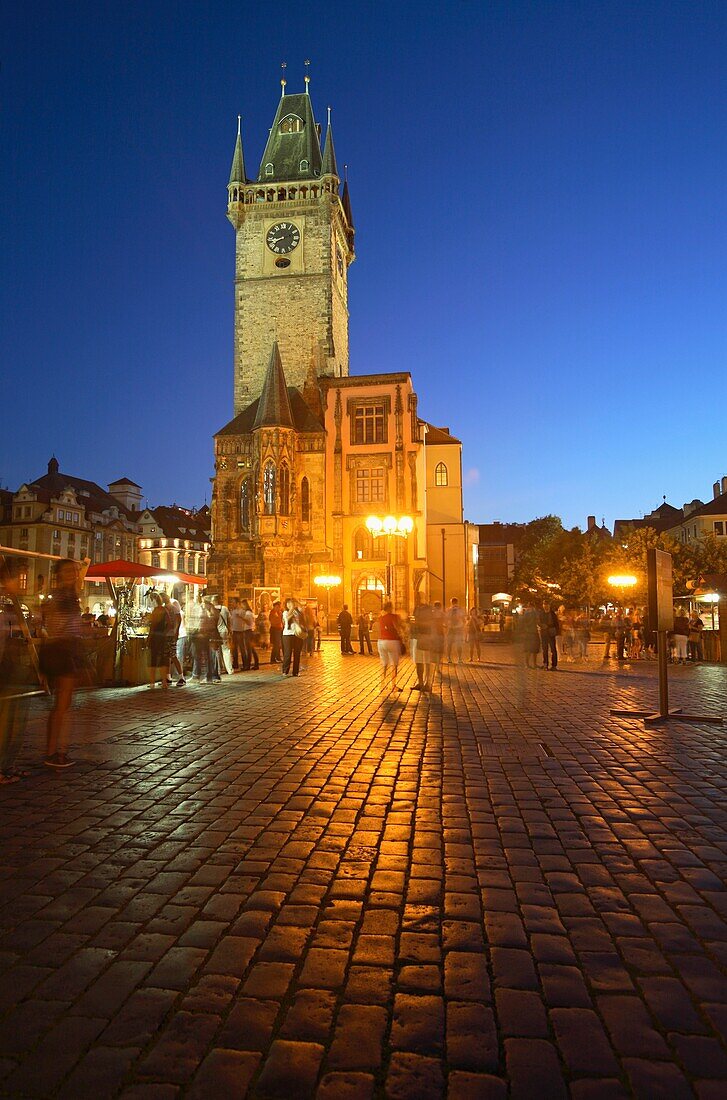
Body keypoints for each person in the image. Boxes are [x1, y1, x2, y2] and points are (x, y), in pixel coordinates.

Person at [39, 556, 89, 767]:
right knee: (62, 705)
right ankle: (57, 753)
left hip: (64, 648)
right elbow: (56, 625)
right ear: (59, 574)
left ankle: (56, 751)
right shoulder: (61, 596)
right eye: (68, 571)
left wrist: (84, 567)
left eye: (74, 571)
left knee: (62, 704)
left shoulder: (69, 594)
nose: (73, 574)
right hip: (63, 649)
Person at [0, 558, 33, 783]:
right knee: (8, 721)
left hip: (12, 667)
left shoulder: (10, 605)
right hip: (5, 669)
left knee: (15, 720)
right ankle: (3, 767)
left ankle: (8, 765)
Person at [377, 601, 404, 692]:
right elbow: (398, 627)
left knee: (384, 663)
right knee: (394, 664)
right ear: (390, 608)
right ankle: (393, 685)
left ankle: (382, 684)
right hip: (392, 641)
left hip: (381, 641)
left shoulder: (381, 618)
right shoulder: (395, 617)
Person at [161, 592, 185, 686]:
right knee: (167, 656)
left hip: (170, 635)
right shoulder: (165, 608)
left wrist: (176, 632)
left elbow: (178, 621)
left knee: (173, 655)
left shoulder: (173, 608)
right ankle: (168, 677)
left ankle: (181, 677)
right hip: (167, 635)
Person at [147, 593, 170, 690]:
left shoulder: (155, 611)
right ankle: (164, 682)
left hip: (155, 637)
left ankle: (152, 682)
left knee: (153, 658)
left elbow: (152, 626)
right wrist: (165, 632)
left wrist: (149, 637)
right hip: (163, 637)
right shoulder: (165, 610)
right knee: (163, 659)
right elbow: (169, 623)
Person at [411, 598, 433, 691]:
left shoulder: (428, 610)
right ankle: (420, 683)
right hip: (417, 637)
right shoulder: (417, 608)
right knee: (418, 661)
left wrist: (417, 623)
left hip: (426, 636)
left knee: (427, 661)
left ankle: (427, 683)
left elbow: (429, 623)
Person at [282, 597, 305, 676]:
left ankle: (295, 672)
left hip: (297, 634)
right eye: (288, 603)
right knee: (288, 653)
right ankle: (285, 670)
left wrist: (297, 605)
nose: (289, 605)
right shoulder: (285, 612)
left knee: (297, 653)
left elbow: (303, 617)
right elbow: (287, 618)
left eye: (291, 603)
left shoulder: (297, 612)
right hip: (287, 635)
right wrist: (291, 608)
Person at [201, 597, 222, 682]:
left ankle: (214, 675)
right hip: (208, 635)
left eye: (204, 603)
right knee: (208, 656)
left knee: (212, 656)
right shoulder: (210, 612)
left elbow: (211, 624)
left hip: (212, 636)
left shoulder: (213, 613)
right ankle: (209, 675)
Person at [186, 592, 204, 679]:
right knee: (194, 653)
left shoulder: (198, 608)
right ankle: (196, 673)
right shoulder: (195, 607)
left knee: (196, 654)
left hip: (196, 633)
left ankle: (196, 674)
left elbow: (199, 621)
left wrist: (196, 630)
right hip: (193, 632)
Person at [538, 600, 559, 671]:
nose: (545, 606)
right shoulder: (541, 613)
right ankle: (545, 664)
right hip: (544, 633)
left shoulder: (552, 614)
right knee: (545, 649)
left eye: (547, 604)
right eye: (544, 604)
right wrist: (542, 625)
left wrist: (556, 631)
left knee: (553, 649)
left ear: (549, 605)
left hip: (551, 633)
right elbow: (538, 622)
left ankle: (554, 665)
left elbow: (556, 623)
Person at [518, 603, 540, 669]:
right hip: (531, 632)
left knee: (532, 649)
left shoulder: (526, 614)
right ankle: (531, 664)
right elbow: (537, 621)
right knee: (531, 649)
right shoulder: (531, 613)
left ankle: (530, 664)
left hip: (531, 632)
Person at [214, 595, 232, 674]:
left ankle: (218, 670)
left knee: (217, 651)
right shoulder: (225, 608)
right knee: (226, 650)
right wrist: (230, 629)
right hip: (224, 631)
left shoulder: (212, 609)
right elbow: (229, 620)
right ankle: (229, 669)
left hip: (216, 632)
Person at [240, 599, 259, 670]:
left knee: (249, 649)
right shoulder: (249, 612)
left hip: (248, 632)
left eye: (242, 605)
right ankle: (256, 664)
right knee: (251, 649)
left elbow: (248, 622)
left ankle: (248, 665)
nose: (241, 606)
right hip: (250, 631)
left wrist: (241, 618)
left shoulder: (248, 613)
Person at [445, 598, 465, 664]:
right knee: (449, 644)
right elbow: (447, 618)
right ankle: (449, 658)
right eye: (453, 603)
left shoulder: (460, 609)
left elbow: (463, 618)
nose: (454, 604)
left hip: (457, 628)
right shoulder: (449, 610)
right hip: (451, 628)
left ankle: (459, 658)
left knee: (458, 644)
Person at [229, 597, 245, 671]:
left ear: (238, 603)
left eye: (233, 602)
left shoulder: (242, 611)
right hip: (234, 631)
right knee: (234, 649)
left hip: (240, 631)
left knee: (242, 648)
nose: (232, 604)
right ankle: (235, 664)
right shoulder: (232, 611)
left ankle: (245, 664)